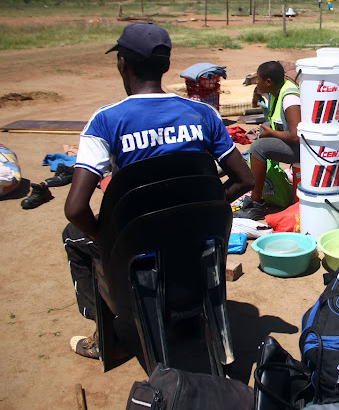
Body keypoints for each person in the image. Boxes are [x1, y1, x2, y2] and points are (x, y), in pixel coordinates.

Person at [63, 23, 254, 360]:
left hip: (136, 245)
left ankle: (106, 336)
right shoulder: (203, 114)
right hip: (194, 237)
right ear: (166, 66)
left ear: (123, 63)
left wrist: (107, 238)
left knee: (72, 234)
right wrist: (205, 205)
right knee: (175, 235)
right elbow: (245, 180)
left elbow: (76, 209)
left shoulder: (106, 121)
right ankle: (189, 313)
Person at [238, 61, 301, 220]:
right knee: (264, 129)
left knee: (258, 148)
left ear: (268, 82)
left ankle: (255, 204)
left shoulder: (290, 98)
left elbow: (296, 135)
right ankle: (267, 187)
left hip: (303, 149)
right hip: (293, 144)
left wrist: (272, 133)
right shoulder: (275, 91)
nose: (256, 82)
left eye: (258, 79)